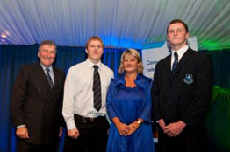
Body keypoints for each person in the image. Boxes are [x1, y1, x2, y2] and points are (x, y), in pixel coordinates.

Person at [151, 19, 212, 152]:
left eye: (179, 30)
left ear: (187, 35)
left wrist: (182, 123)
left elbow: (203, 97)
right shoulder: (160, 65)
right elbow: (155, 94)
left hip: (191, 133)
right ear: (167, 36)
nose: (175, 33)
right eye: (171, 31)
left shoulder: (201, 60)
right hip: (165, 132)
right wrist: (159, 119)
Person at [11, 40, 65, 152]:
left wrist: (60, 124)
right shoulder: (26, 70)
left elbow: (60, 102)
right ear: (38, 54)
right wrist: (20, 125)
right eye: (45, 51)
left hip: (52, 134)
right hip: (29, 132)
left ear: (55, 55)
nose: (48, 55)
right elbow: (16, 100)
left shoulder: (61, 74)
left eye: (52, 52)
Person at [62, 36, 114, 152]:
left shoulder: (109, 72)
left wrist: (112, 124)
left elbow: (110, 101)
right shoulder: (74, 70)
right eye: (92, 46)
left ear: (103, 50)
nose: (96, 49)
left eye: (99, 46)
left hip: (101, 125)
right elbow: (68, 99)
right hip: (80, 124)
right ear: (86, 50)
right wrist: (70, 125)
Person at [106, 49, 155, 152]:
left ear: (138, 63)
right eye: (126, 60)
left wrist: (136, 124)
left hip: (141, 130)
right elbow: (109, 104)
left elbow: (149, 105)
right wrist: (119, 124)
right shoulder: (114, 84)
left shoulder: (148, 83)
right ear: (122, 64)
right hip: (119, 130)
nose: (128, 63)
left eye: (132, 60)